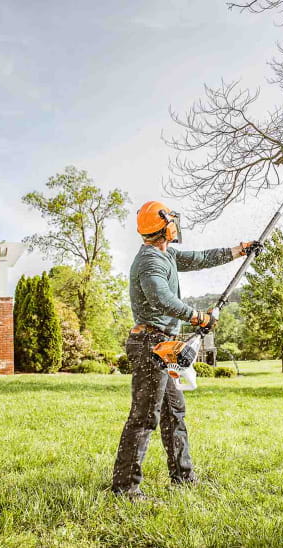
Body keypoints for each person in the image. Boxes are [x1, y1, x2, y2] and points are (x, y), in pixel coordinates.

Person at [111, 200, 261, 501]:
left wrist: (239, 250)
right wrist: (197, 317)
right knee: (144, 417)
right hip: (150, 345)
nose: (177, 225)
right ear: (165, 226)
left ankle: (183, 476)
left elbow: (201, 257)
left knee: (174, 413)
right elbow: (161, 299)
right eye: (173, 221)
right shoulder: (150, 262)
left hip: (163, 345)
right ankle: (125, 488)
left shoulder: (166, 255)